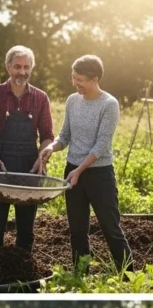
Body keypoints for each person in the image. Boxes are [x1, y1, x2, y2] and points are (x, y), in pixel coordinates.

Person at [39, 55, 131, 272]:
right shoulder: (72, 101)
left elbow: (101, 145)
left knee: (110, 227)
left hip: (99, 174)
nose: (75, 83)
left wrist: (80, 170)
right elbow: (65, 136)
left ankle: (128, 276)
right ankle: (81, 274)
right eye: (73, 77)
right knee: (78, 230)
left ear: (94, 79)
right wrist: (51, 147)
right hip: (73, 171)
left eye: (79, 79)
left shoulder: (109, 104)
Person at [0, 45, 54, 253]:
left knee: (26, 228)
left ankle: (23, 265)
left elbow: (47, 135)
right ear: (8, 67)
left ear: (31, 68)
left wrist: (41, 158)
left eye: (26, 67)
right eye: (17, 67)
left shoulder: (40, 97)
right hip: (0, 165)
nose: (22, 72)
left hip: (30, 167)